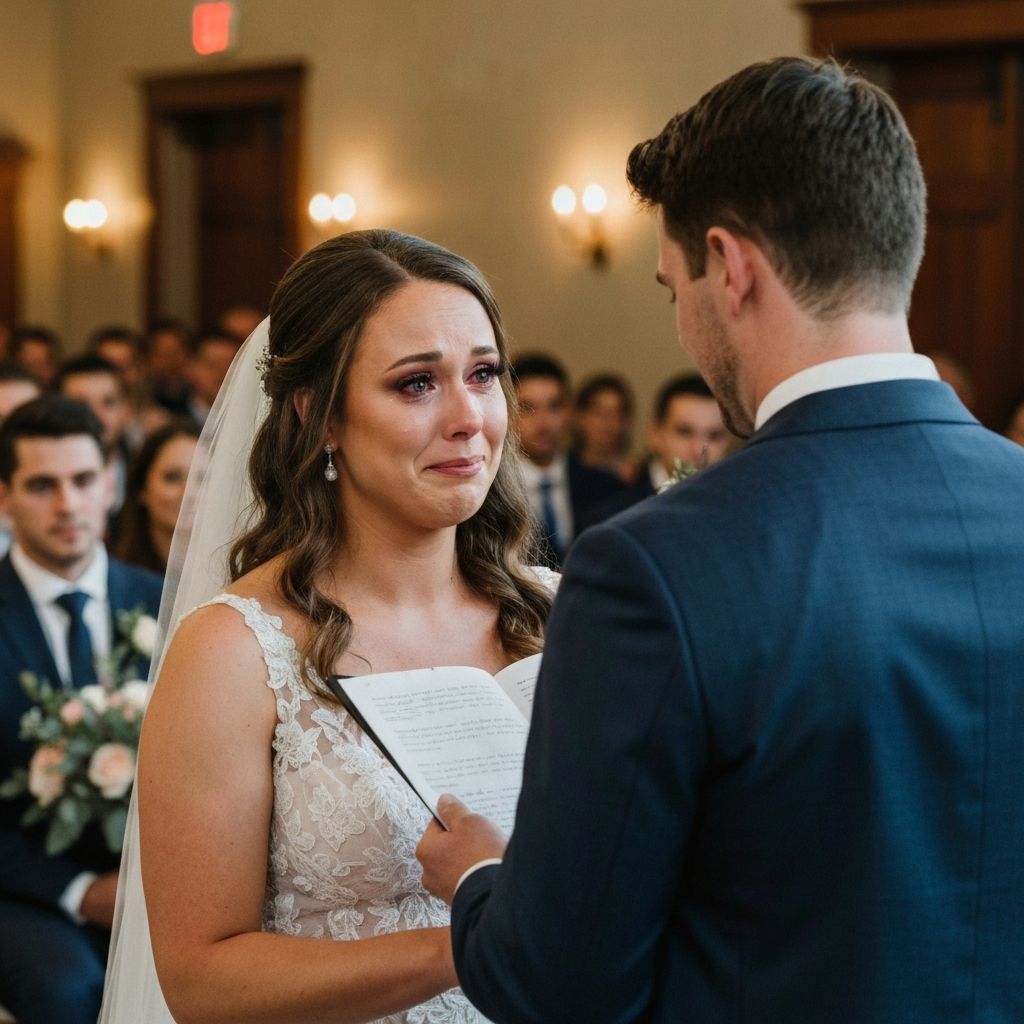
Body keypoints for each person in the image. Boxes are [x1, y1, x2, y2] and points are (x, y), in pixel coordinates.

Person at [416, 56, 1024, 1023]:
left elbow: (562, 985)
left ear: (730, 265)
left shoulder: (656, 569)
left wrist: (482, 879)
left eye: (671, 288)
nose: (684, 329)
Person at [99, 229, 555, 1024]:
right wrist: (479, 934)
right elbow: (202, 978)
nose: (468, 418)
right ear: (320, 417)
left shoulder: (566, 613)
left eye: (483, 374)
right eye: (416, 385)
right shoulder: (236, 649)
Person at [0, 395, 161, 1024]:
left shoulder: (165, 605)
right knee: (69, 989)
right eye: (43, 486)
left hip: (157, 884)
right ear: (6, 495)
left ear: (113, 484)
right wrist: (79, 891)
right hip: (26, 890)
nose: (68, 505)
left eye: (83, 480)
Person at [579, 372, 731, 528]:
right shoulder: (610, 519)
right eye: (684, 432)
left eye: (714, 436)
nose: (699, 449)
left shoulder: (737, 514)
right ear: (655, 436)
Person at [513, 353, 622, 568]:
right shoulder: (488, 491)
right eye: (527, 408)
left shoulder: (605, 486)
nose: (543, 423)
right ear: (507, 410)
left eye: (554, 406)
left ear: (569, 411)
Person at [113, 420, 200, 574]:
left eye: (202, 478)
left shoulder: (237, 575)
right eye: (172, 477)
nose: (188, 493)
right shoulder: (115, 575)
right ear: (142, 489)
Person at [571, 373, 637, 482]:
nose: (608, 422)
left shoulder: (635, 476)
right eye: (599, 413)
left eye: (616, 414)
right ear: (580, 417)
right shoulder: (561, 472)